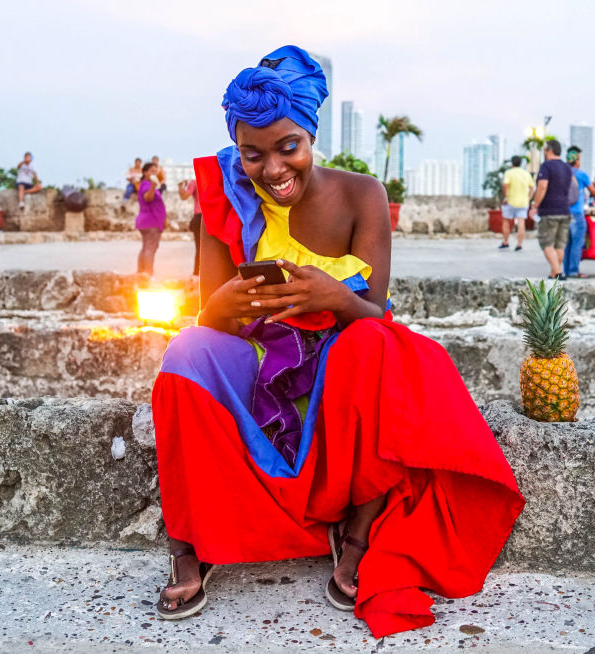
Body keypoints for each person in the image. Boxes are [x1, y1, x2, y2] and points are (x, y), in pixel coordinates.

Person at [151, 46, 524, 640]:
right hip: (258, 355)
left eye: (287, 147)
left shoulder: (362, 196)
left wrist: (330, 295)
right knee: (184, 354)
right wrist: (221, 306)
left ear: (310, 136)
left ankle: (354, 535)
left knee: (373, 344)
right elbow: (210, 316)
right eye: (253, 154)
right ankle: (191, 543)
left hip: (338, 361)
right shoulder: (225, 195)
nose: (272, 169)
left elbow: (374, 309)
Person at [529, 140, 574, 279]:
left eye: (544, 150)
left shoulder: (546, 166)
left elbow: (542, 186)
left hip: (549, 212)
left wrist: (535, 205)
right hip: (565, 211)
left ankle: (558, 272)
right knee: (559, 246)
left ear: (549, 150)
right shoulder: (567, 168)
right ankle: (554, 273)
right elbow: (574, 188)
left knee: (546, 243)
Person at [563, 146, 595, 278]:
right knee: (577, 243)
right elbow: (592, 191)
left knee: (567, 244)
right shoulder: (581, 174)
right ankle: (574, 271)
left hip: (563, 213)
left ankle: (566, 270)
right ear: (577, 160)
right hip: (576, 213)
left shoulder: (563, 173)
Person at [136, 162, 166, 276]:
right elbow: (148, 198)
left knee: (145, 248)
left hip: (147, 221)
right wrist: (153, 186)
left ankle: (141, 273)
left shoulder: (146, 184)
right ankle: (147, 274)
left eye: (155, 171)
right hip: (150, 221)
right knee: (150, 249)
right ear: (145, 172)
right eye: (152, 171)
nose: (154, 173)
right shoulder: (147, 185)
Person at [500, 155, 534, 251]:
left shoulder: (509, 173)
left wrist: (506, 197)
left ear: (512, 163)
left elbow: (505, 185)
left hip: (510, 201)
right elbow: (532, 188)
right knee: (521, 222)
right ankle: (519, 244)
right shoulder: (526, 174)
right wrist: (529, 198)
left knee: (506, 221)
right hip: (523, 202)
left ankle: (506, 242)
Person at [178, 178, 202, 275]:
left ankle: (197, 273)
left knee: (199, 248)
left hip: (199, 217)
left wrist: (180, 186)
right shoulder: (215, 179)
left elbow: (184, 197)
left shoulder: (195, 182)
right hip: (211, 217)